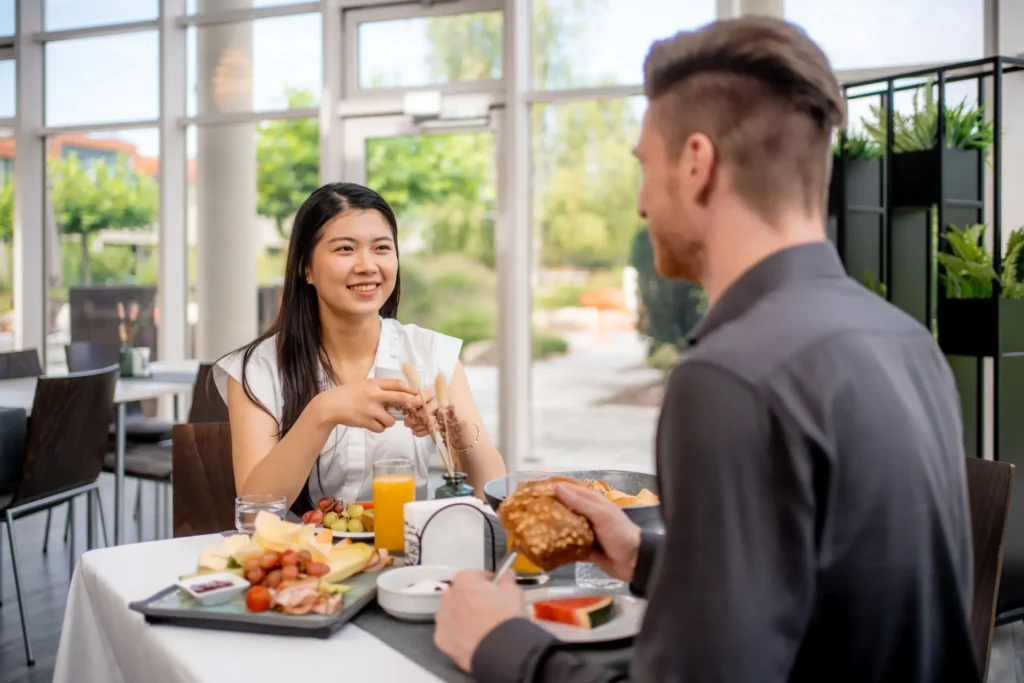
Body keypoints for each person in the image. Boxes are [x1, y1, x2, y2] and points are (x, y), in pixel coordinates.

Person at [433, 16, 979, 683]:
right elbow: (844, 600)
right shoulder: (906, 342)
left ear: (696, 162)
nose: (639, 203)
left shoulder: (729, 377)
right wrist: (646, 557)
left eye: (644, 166)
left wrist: (500, 642)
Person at [214, 182, 506, 513]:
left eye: (381, 248)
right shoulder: (255, 368)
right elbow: (257, 506)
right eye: (345, 249)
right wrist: (322, 413)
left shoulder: (432, 353)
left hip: (406, 557)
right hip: (307, 558)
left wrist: (459, 430)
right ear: (305, 268)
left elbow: (492, 496)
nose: (367, 265)